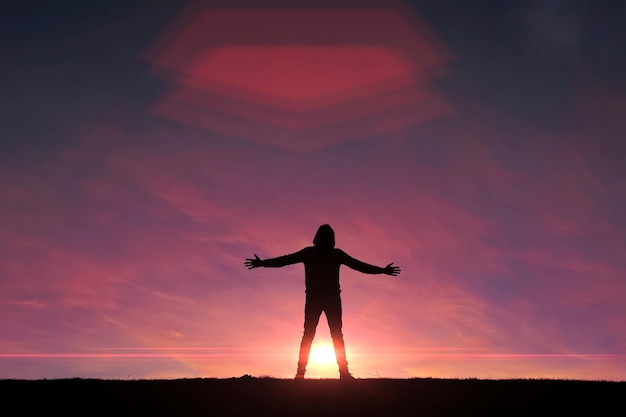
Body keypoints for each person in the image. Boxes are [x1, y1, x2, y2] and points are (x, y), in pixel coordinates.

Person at [245, 224, 400, 380]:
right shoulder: (322, 254)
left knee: (319, 335)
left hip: (323, 299)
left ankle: (319, 373)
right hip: (321, 299)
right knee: (325, 335)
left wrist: (381, 270)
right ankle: (317, 373)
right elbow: (286, 260)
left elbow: (358, 265)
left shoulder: (321, 254)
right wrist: (382, 270)